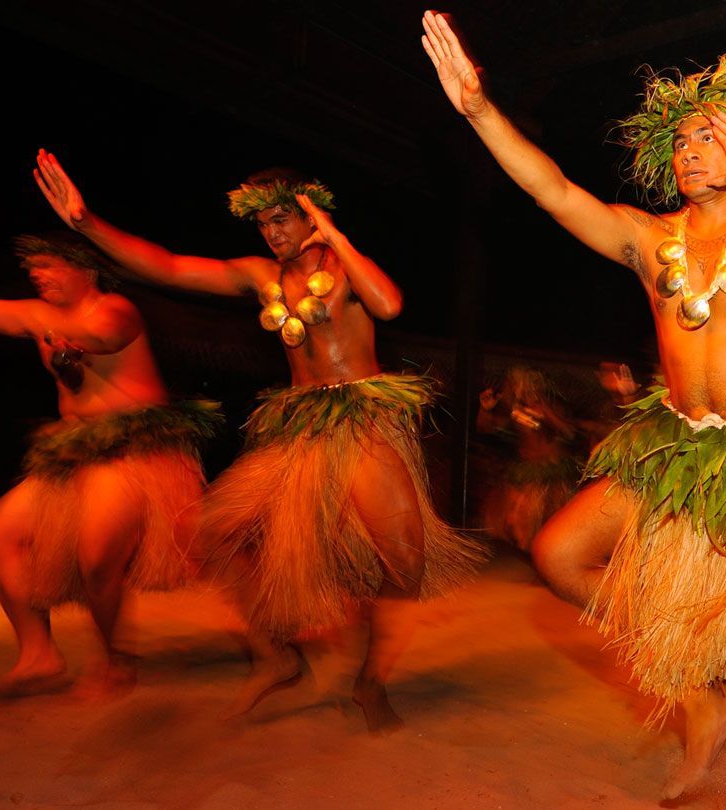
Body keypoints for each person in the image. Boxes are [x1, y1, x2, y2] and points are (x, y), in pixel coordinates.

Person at [424, 14, 726, 805]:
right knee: (559, 553)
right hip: (683, 445)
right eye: (681, 144)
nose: (689, 153)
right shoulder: (645, 236)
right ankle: (705, 685)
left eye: (708, 138)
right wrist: (480, 109)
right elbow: (550, 189)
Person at [33, 152, 485, 730]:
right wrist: (86, 223)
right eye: (263, 224)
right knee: (214, 531)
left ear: (308, 212)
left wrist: (335, 236)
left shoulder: (342, 267)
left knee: (403, 562)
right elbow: (168, 266)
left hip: (365, 420)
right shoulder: (260, 274)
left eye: (282, 220)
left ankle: (369, 683)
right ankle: (276, 656)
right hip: (299, 426)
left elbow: (389, 303)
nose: (271, 234)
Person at [0, 233, 220, 697]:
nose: (37, 276)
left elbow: (106, 337)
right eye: (33, 271)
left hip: (133, 450)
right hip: (75, 450)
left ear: (83, 269)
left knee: (97, 555)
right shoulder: (38, 313)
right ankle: (38, 657)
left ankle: (115, 659)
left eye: (48, 267)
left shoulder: (115, 308)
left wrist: (64, 335)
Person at [476, 366, 582, 552]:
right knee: (516, 518)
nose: (518, 389)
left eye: (521, 384)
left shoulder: (552, 406)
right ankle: (532, 553)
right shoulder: (514, 411)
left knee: (551, 519)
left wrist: (546, 412)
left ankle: (549, 553)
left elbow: (570, 432)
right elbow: (485, 429)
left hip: (552, 471)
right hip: (527, 469)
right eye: (514, 385)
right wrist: (486, 410)